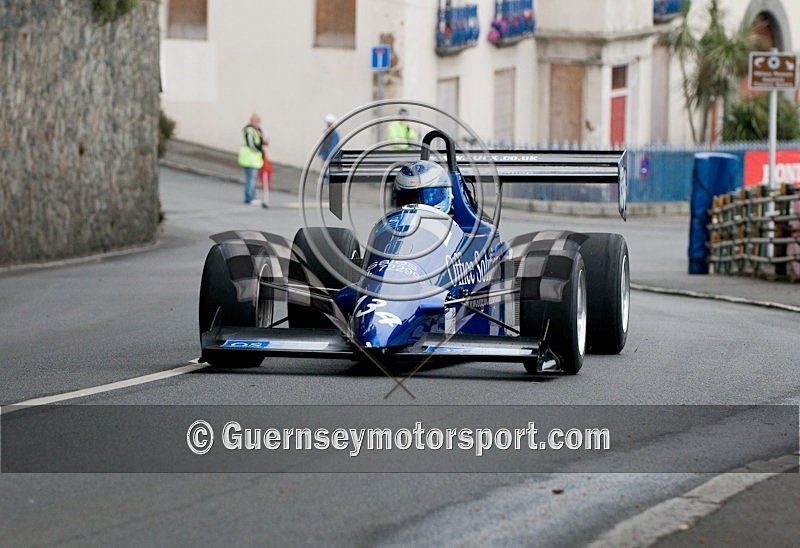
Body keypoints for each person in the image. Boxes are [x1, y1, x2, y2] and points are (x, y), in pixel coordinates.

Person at [237, 113, 266, 205]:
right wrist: (260, 148)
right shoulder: (249, 130)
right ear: (252, 121)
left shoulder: (257, 130)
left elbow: (259, 142)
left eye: (258, 121)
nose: (257, 123)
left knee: (252, 178)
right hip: (249, 158)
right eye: (255, 121)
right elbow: (251, 144)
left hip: (255, 159)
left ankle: (252, 196)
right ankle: (249, 197)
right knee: (251, 179)